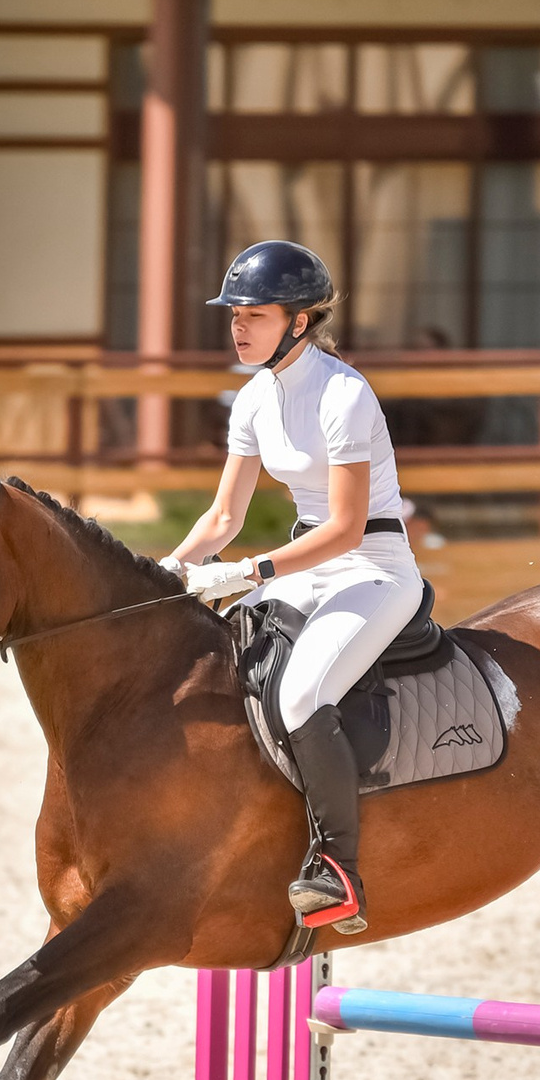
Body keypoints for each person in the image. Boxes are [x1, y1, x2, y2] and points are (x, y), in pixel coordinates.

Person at [169, 241, 423, 936]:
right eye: (234, 316)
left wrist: (248, 572)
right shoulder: (252, 399)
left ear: (301, 320)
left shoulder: (345, 394)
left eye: (253, 314)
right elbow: (224, 517)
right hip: (309, 563)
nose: (238, 327)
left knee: (302, 691)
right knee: (222, 656)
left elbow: (344, 528)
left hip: (375, 565)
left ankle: (338, 866)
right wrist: (169, 569)